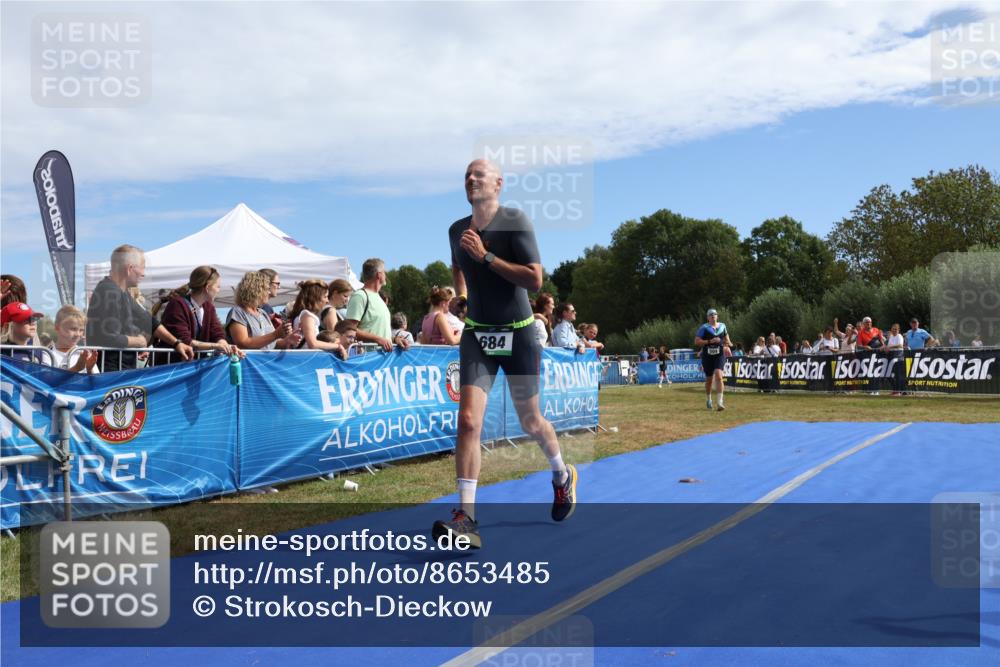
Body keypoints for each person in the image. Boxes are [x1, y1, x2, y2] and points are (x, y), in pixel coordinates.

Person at [432, 158, 577, 549]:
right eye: (466, 175)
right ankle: (467, 519)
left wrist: (487, 257)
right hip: (478, 335)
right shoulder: (456, 230)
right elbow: (456, 266)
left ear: (498, 184)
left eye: (479, 175)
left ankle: (562, 474)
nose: (471, 179)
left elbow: (535, 279)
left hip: (518, 334)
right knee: (467, 421)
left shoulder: (515, 222)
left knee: (531, 421)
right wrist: (461, 297)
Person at [86, 245, 194, 371]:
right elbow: (108, 337)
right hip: (111, 373)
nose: (143, 274)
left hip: (121, 369)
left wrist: (177, 343)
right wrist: (139, 342)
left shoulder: (121, 292)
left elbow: (149, 321)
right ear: (129, 269)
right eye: (143, 268)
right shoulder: (109, 292)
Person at [154, 266, 242, 360]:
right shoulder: (177, 305)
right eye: (218, 286)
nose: (218, 290)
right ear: (208, 287)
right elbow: (185, 341)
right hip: (172, 368)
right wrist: (216, 346)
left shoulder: (208, 307)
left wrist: (225, 345)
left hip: (192, 365)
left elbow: (217, 333)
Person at [345, 258, 410, 352]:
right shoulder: (360, 296)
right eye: (384, 271)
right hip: (367, 359)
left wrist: (395, 339)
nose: (386, 274)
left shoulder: (379, 298)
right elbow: (349, 330)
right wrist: (378, 339)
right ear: (379, 275)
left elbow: (380, 333)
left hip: (382, 361)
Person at [225, 271, 302, 350]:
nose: (269, 292)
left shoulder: (263, 313)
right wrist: (275, 334)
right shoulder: (238, 312)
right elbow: (242, 343)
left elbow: (274, 344)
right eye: (267, 289)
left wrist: (288, 340)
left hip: (265, 361)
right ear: (255, 290)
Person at [288, 280, 345, 352]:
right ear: (315, 298)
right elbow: (312, 344)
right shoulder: (307, 317)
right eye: (325, 297)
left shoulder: (307, 315)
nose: (327, 301)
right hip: (306, 359)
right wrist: (338, 346)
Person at [694, 308, 731, 411]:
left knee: (719, 376)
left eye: (714, 314)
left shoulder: (723, 326)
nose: (713, 315)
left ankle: (720, 403)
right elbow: (697, 341)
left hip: (719, 355)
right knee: (709, 380)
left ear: (717, 316)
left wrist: (726, 344)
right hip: (707, 356)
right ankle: (709, 399)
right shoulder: (704, 328)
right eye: (710, 314)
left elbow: (727, 339)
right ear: (708, 318)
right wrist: (709, 341)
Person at [48, 305, 99, 373]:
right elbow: (46, 381)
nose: (78, 334)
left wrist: (89, 369)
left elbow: (96, 382)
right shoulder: (47, 353)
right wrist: (76, 368)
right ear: (57, 328)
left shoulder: (84, 354)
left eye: (81, 330)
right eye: (73, 329)